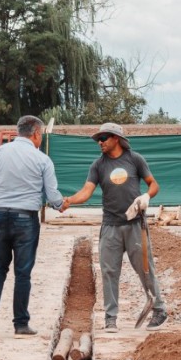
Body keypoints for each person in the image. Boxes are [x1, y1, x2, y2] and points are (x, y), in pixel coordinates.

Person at [63, 123, 167, 332]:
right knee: (109, 272)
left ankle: (159, 309)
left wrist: (146, 196)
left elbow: (153, 184)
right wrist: (69, 201)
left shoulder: (134, 159)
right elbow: (86, 192)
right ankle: (111, 317)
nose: (100, 142)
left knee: (145, 269)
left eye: (103, 138)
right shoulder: (98, 166)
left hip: (135, 225)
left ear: (116, 138)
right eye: (98, 140)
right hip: (111, 226)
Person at [0, 115, 68, 336]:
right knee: (22, 273)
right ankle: (20, 323)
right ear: (36, 133)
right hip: (26, 220)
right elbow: (52, 194)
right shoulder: (42, 159)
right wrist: (60, 204)